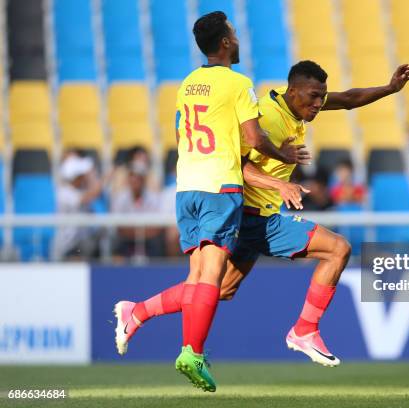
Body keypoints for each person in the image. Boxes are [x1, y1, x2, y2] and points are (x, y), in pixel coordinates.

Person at [115, 60, 409, 367]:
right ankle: (305, 330)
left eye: (321, 97)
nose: (318, 104)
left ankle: (137, 311)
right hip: (252, 216)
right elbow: (238, 165)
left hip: (250, 217)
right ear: (293, 91)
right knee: (338, 249)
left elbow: (350, 100)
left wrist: (390, 88)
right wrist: (279, 184)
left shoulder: (299, 106)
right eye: (313, 96)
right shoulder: (268, 119)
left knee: (218, 290)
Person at [113, 11, 309, 392]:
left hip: (187, 185)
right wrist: (284, 157)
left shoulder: (188, 83)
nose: (237, 40)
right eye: (233, 35)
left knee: (200, 277)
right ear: (224, 43)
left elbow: (177, 130)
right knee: (213, 277)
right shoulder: (237, 84)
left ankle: (136, 312)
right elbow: (253, 139)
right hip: (220, 184)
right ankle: (192, 351)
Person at [52, 153, 103, 260]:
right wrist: (99, 178)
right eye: (81, 175)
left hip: (80, 243)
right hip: (68, 247)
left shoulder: (78, 190)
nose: (84, 177)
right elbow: (90, 195)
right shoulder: (64, 192)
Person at [111, 160, 164, 257]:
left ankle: (157, 270)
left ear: (143, 179)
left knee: (158, 243)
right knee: (115, 243)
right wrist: (140, 232)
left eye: (138, 177)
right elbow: (118, 227)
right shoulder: (120, 197)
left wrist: (137, 232)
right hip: (126, 239)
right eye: (132, 176)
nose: (135, 180)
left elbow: (157, 227)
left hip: (148, 240)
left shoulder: (152, 197)